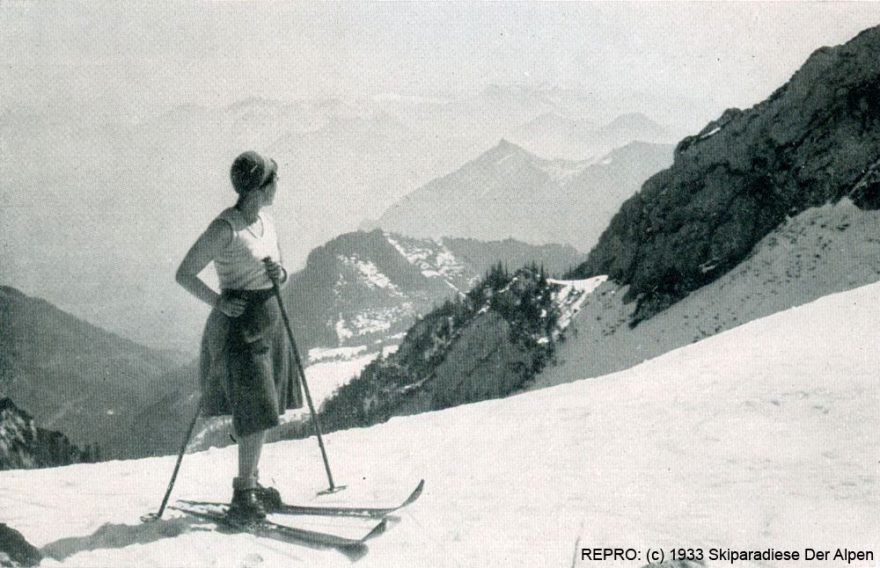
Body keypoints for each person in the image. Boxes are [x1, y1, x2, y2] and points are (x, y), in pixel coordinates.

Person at [176, 151, 303, 522]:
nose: (278, 185)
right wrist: (218, 302)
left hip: (270, 322)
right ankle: (242, 494)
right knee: (256, 411)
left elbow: (279, 270)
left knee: (262, 409)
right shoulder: (224, 228)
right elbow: (184, 273)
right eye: (274, 179)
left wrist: (279, 274)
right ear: (260, 188)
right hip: (240, 330)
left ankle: (253, 482)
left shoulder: (266, 220)